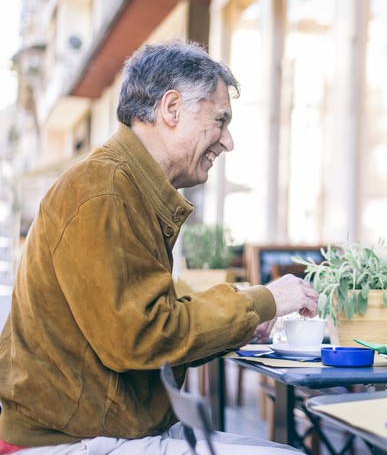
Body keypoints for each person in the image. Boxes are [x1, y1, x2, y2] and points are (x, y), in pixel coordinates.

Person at [0, 40, 319, 454]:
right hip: (73, 440)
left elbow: (148, 320)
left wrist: (241, 320)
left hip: (106, 428)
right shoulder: (103, 190)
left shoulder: (122, 185)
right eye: (220, 120)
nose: (228, 141)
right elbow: (142, 336)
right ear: (171, 109)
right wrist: (260, 302)